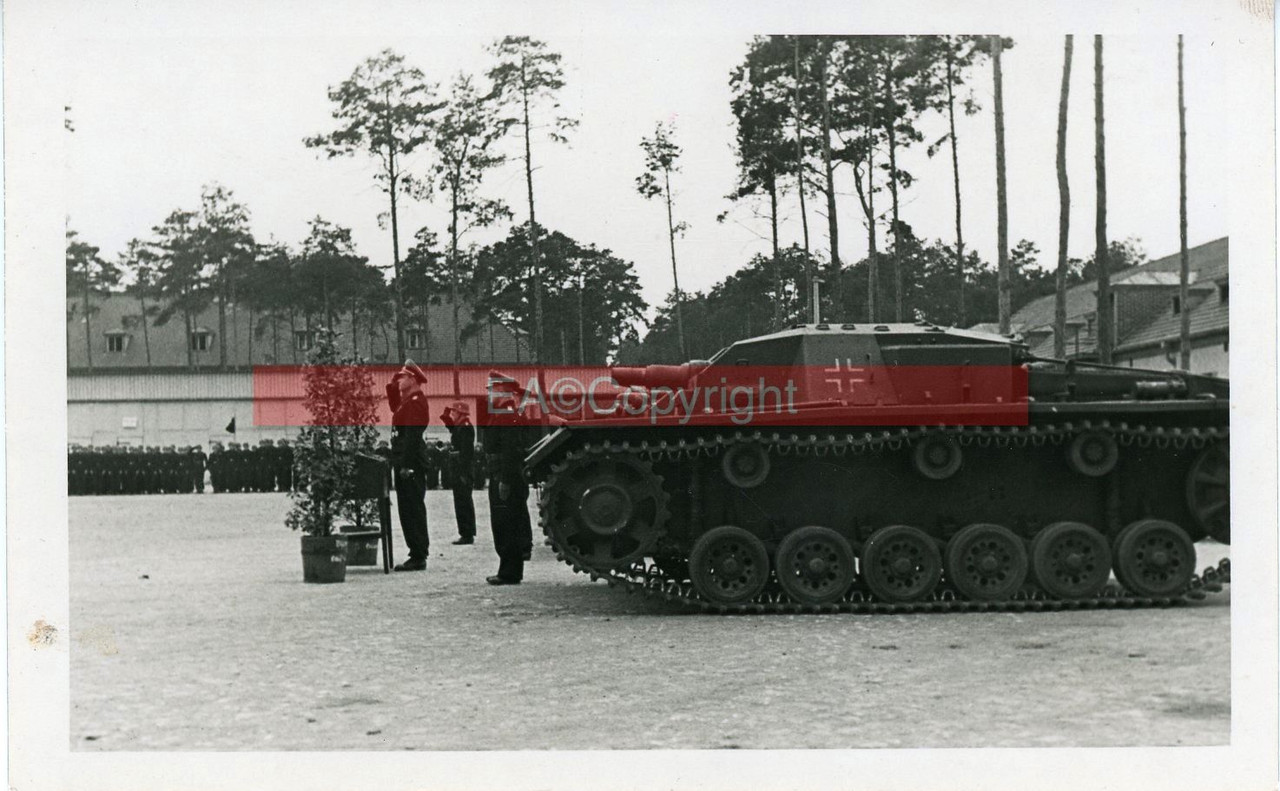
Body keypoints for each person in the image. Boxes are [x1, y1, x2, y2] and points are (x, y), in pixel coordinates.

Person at [481, 374, 536, 585]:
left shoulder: (506, 414)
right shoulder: (505, 413)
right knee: (505, 523)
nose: (489, 393)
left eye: (492, 389)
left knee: (506, 524)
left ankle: (509, 572)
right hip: (502, 474)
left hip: (505, 476)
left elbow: (510, 452)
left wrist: (505, 479)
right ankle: (508, 569)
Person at [386, 363, 433, 571]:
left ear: (413, 379)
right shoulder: (406, 402)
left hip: (410, 462)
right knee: (407, 509)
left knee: (412, 509)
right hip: (404, 460)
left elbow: (413, 437)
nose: (398, 381)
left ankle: (418, 554)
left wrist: (406, 465)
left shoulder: (415, 402)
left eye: (402, 377)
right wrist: (392, 384)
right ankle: (416, 551)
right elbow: (393, 405)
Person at [441, 401, 477, 545]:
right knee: (460, 501)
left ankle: (467, 534)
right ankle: (465, 532)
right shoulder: (460, 427)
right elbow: (450, 426)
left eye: (454, 412)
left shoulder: (466, 427)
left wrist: (463, 473)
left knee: (464, 502)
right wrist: (446, 414)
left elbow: (466, 453)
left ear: (461, 413)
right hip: (459, 469)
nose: (452, 414)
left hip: (463, 469)